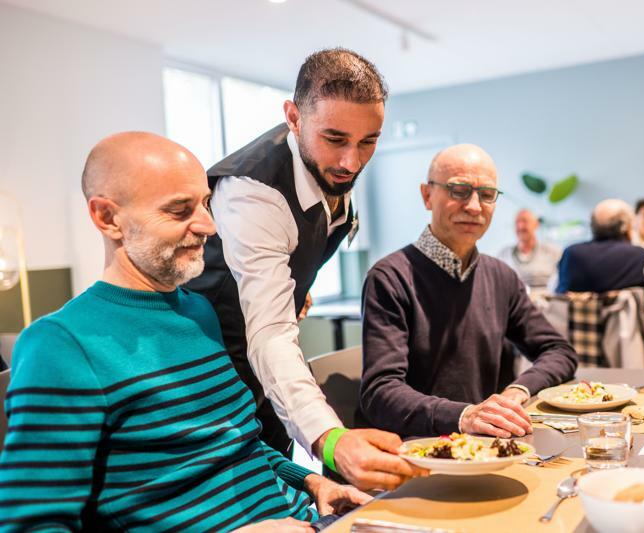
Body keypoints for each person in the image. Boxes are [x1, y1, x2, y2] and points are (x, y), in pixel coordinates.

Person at [0, 132, 372, 531]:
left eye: (206, 204)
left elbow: (237, 441)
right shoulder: (61, 345)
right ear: (108, 218)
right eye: (179, 211)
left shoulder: (198, 312)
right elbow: (33, 525)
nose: (209, 226)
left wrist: (312, 482)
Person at [185, 48, 421, 489]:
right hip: (211, 375)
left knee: (288, 489)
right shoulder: (253, 191)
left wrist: (295, 285)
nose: (352, 161)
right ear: (293, 118)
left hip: (269, 365)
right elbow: (270, 333)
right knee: (243, 497)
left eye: (368, 141)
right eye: (335, 139)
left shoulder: (332, 168)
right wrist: (330, 439)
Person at [358, 144, 578, 439]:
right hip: (421, 449)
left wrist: (518, 390)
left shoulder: (501, 276)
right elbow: (380, 393)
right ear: (427, 195)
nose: (474, 206)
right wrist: (464, 416)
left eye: (486, 194)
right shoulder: (391, 278)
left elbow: (559, 351)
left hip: (488, 444)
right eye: (459, 190)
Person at [557, 199, 644, 336]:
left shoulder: (570, 255)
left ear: (593, 226)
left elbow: (558, 299)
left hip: (580, 342)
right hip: (630, 344)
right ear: (627, 227)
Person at [496, 209, 562, 290]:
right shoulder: (504, 255)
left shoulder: (553, 252)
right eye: (517, 222)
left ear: (536, 225)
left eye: (525, 221)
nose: (520, 226)